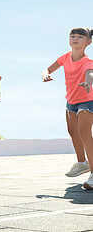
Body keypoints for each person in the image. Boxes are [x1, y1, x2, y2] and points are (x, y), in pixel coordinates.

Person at [43, 27, 93, 189]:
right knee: (73, 132)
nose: (75, 38)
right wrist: (46, 74)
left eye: (80, 37)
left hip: (87, 100)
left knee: (85, 134)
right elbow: (48, 68)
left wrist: (88, 83)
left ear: (88, 42)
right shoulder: (65, 58)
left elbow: (90, 74)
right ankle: (82, 163)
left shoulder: (88, 62)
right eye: (73, 36)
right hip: (71, 101)